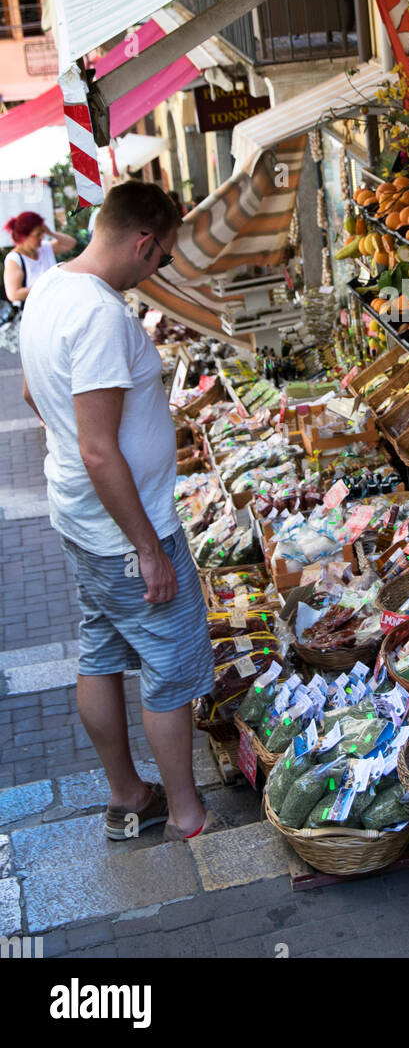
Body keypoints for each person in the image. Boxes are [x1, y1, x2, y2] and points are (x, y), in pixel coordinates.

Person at [19, 181, 221, 843]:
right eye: (160, 258)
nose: (155, 270)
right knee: (169, 668)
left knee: (101, 655)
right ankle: (187, 814)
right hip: (122, 533)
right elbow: (100, 451)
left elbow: (31, 391)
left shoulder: (49, 289)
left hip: (79, 521)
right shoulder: (102, 315)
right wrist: (149, 547)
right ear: (143, 242)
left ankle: (129, 794)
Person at [3, 210, 76, 306]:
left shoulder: (44, 248)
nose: (42, 237)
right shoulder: (14, 259)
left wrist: (51, 233)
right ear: (24, 236)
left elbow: (71, 243)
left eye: (43, 233)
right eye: (38, 234)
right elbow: (13, 294)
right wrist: (48, 287)